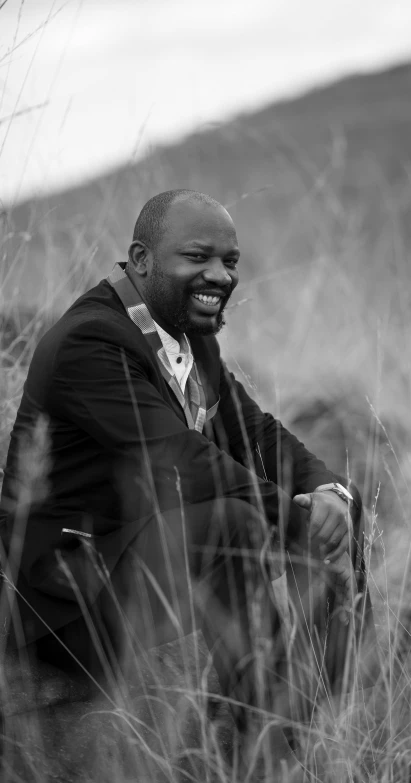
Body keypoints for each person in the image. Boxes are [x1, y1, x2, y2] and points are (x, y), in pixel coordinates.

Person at [0, 190, 373, 764]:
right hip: (65, 597)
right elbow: (182, 458)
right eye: (198, 257)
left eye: (230, 262)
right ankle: (256, 739)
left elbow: (258, 432)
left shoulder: (187, 338)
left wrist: (330, 494)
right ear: (141, 259)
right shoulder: (90, 341)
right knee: (234, 523)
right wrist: (295, 524)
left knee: (345, 517)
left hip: (130, 562)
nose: (219, 275)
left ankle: (288, 730)